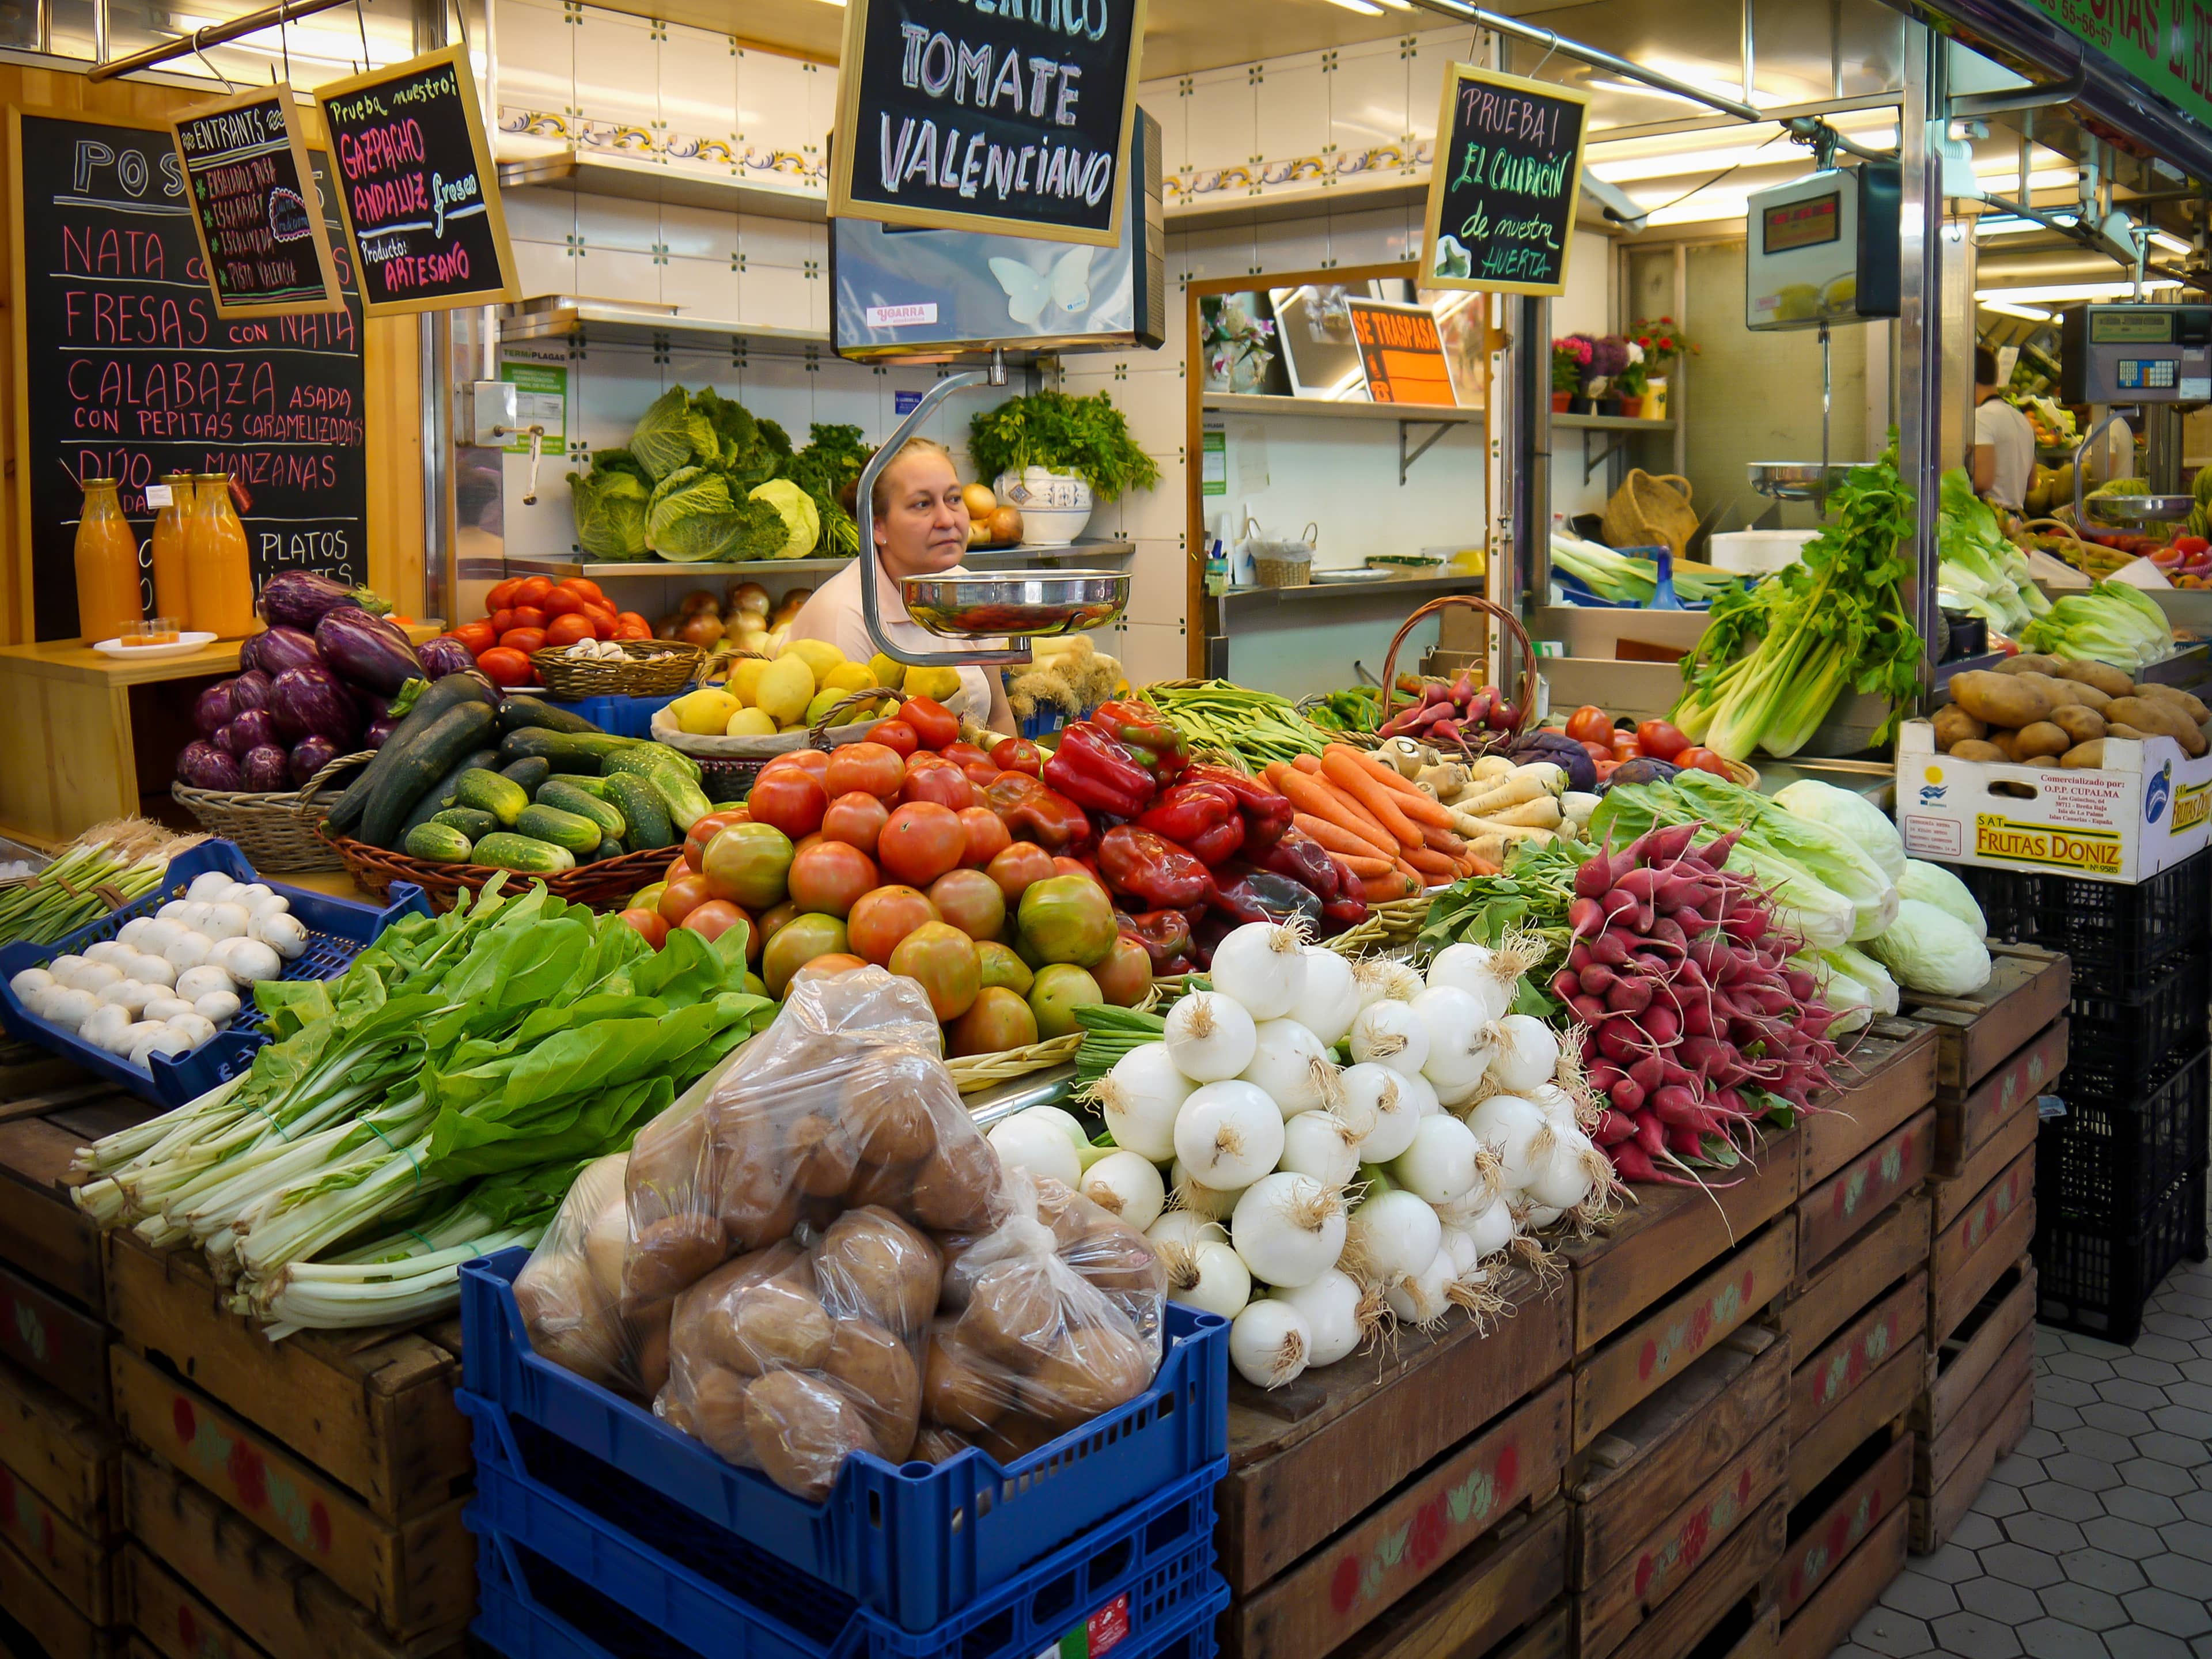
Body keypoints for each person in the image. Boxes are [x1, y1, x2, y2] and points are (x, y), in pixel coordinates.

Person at [788, 437, 1018, 734]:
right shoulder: (845, 617)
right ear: (877, 526)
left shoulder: (962, 586)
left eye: (953, 499)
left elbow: (998, 717)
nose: (947, 520)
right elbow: (845, 755)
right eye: (922, 504)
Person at [1971, 345, 2035, 513]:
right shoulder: (2021, 418)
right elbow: (2032, 483)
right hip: (2015, 520)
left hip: (1991, 521)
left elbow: (1983, 482)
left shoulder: (1982, 417)